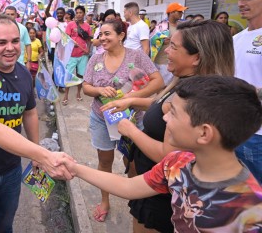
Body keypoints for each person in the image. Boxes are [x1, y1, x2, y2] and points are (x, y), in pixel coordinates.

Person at [65, 75, 262, 231]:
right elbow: (128, 187)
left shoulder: (250, 212)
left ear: (204, 133)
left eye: (173, 113)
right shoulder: (177, 162)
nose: (165, 117)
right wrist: (73, 167)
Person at [101, 20, 235, 232]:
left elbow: (169, 156)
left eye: (173, 47)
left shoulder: (193, 98)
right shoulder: (186, 85)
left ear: (197, 58)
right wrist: (130, 101)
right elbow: (163, 105)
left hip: (160, 197)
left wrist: (131, 131)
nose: (166, 52)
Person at [0, 15, 74, 232]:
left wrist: (36, 152)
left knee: (5, 225)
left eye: (15, 41)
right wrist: (44, 156)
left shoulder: (24, 74)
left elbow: (30, 113)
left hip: (10, 170)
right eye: (1, 42)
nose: (10, 48)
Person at [83, 18, 163, 223]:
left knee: (133, 161)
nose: (102, 38)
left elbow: (158, 81)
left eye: (107, 34)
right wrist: (100, 90)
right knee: (104, 161)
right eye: (101, 34)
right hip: (102, 118)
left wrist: (130, 98)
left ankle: (136, 199)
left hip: (133, 119)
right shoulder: (96, 59)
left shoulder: (137, 56)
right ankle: (104, 200)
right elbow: (86, 86)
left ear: (121, 36)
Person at [227, 0, 262, 184]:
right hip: (231, 129)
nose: (241, 3)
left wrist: (246, 92)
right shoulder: (236, 39)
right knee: (239, 195)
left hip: (258, 135)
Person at [150, 2, 187, 86]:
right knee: (162, 86)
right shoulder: (161, 26)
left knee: (171, 87)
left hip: (177, 61)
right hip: (163, 62)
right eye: (179, 12)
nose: (182, 14)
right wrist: (161, 42)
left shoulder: (182, 26)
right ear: (171, 12)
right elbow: (151, 40)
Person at [62, 5, 92, 105]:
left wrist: (88, 49)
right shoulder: (71, 24)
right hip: (71, 55)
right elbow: (65, 38)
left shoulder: (87, 26)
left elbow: (89, 40)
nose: (79, 14)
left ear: (84, 14)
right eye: (77, 12)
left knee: (80, 75)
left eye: (81, 13)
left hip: (83, 55)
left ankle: (78, 94)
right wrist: (71, 43)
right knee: (68, 75)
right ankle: (66, 95)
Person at [4, 6, 32, 71]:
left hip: (20, 63)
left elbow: (28, 45)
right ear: (4, 15)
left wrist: (28, 61)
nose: (10, 16)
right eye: (7, 14)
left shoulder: (23, 28)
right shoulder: (0, 28)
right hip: (4, 64)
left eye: (12, 14)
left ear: (16, 15)